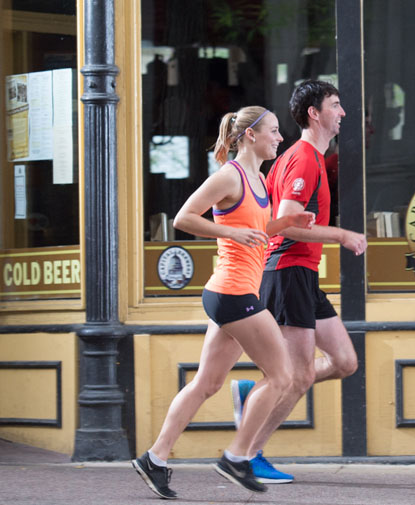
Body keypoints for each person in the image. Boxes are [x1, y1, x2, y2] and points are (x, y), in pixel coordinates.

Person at [131, 106, 315, 499]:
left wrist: (286, 225)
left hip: (233, 292)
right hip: (233, 293)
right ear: (250, 135)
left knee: (207, 383)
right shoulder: (230, 175)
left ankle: (155, 458)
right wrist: (231, 232)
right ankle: (236, 457)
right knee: (283, 377)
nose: (279, 138)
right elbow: (184, 217)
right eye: (273, 131)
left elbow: (256, 229)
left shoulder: (259, 179)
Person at [228, 80, 368, 484]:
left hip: (301, 275)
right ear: (314, 112)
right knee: (298, 375)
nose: (342, 113)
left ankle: (253, 395)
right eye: (336, 105)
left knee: (344, 362)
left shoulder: (306, 158)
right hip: (287, 270)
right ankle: (248, 455)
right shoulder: (304, 159)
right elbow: (287, 224)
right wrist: (341, 235)